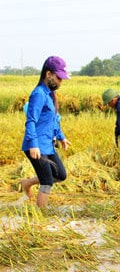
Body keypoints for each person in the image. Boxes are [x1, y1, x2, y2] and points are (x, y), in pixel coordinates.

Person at [20, 56, 72, 208]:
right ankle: (41, 217)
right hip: (36, 146)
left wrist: (62, 137)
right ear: (48, 74)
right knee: (47, 181)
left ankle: (27, 183)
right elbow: (31, 121)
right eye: (58, 78)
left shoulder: (51, 95)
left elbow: (54, 120)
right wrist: (33, 145)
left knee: (60, 175)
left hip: (48, 144)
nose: (60, 82)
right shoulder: (38, 94)